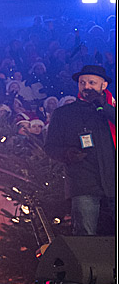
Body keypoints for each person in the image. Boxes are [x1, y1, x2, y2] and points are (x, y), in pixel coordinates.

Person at [44, 64, 116, 236]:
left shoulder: (109, 110)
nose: (87, 87)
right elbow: (50, 147)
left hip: (113, 181)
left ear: (103, 85)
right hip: (83, 183)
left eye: (92, 82)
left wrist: (105, 108)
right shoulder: (64, 113)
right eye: (83, 83)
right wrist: (67, 154)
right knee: (85, 237)